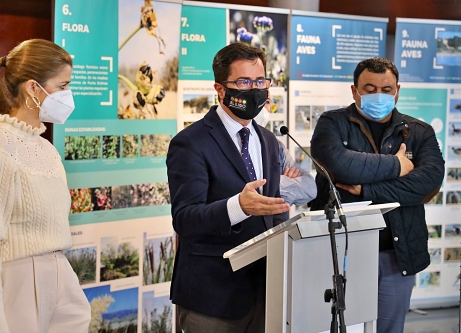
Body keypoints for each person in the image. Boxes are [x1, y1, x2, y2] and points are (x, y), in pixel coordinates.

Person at [0, 39, 91, 333]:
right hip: (15, 289)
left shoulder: (46, 149)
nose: (68, 95)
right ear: (33, 88)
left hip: (59, 280)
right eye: (63, 86)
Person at [309, 57, 444, 333]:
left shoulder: (419, 132)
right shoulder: (331, 123)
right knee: (339, 327)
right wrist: (398, 166)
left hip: (397, 254)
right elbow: (338, 165)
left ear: (398, 90)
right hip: (342, 252)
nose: (378, 95)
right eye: (369, 89)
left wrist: (367, 189)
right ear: (354, 90)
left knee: (389, 329)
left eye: (386, 88)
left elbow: (428, 182)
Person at [167, 42, 290, 333]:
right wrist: (238, 206)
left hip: (264, 292)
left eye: (260, 81)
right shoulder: (191, 142)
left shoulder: (269, 141)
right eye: (244, 82)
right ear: (221, 89)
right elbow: (185, 219)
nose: (255, 89)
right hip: (213, 296)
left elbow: (273, 211)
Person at [254, 91, 317, 207]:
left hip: (278, 223)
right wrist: (286, 183)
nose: (263, 107)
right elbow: (239, 190)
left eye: (267, 102)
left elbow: (310, 188)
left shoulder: (277, 146)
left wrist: (267, 189)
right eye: (259, 99)